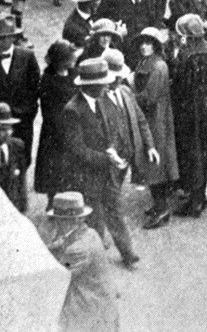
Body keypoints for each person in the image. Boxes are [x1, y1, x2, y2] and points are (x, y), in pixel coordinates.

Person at [63, 56, 138, 266]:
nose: (108, 84)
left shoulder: (103, 100)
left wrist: (112, 150)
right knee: (94, 219)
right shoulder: (73, 110)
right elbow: (77, 150)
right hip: (86, 176)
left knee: (115, 211)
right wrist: (107, 158)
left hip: (106, 171)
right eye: (103, 82)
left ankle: (128, 254)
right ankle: (96, 263)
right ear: (91, 86)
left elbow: (111, 129)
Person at [169, 14, 207, 217]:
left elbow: (179, 83)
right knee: (205, 151)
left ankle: (194, 202)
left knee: (191, 153)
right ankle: (200, 196)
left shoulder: (186, 54)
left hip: (189, 110)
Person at [41, 191, 120, 332]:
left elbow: (59, 277)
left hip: (91, 308)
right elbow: (63, 242)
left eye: (60, 219)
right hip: (101, 301)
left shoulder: (78, 250)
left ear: (70, 221)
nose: (57, 223)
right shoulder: (90, 233)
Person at [132, 27, 178, 229]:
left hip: (155, 120)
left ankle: (162, 208)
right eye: (142, 42)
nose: (144, 46)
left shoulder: (158, 67)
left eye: (149, 43)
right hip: (149, 118)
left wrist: (129, 98)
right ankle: (159, 205)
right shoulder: (146, 62)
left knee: (155, 164)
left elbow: (150, 98)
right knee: (152, 163)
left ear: (156, 45)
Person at [34, 39, 79, 207]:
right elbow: (50, 112)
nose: (73, 60)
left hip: (74, 127)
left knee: (71, 169)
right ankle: (53, 201)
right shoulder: (47, 80)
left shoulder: (74, 74)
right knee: (55, 168)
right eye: (69, 57)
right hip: (55, 133)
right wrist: (64, 131)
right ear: (60, 60)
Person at [0, 14, 40, 193]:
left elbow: (35, 85)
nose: (2, 42)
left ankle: (19, 196)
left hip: (23, 119)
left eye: (4, 38)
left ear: (13, 37)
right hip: (1, 121)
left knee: (22, 158)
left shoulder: (27, 56)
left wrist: (29, 111)